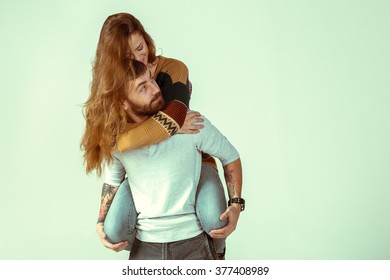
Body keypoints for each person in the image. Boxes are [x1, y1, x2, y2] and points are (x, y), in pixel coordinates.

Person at [81, 12, 245, 258]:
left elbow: (177, 113)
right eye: (128, 57)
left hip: (194, 164)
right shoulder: (114, 88)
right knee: (112, 229)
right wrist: (101, 218)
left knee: (214, 218)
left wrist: (124, 141)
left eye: (140, 48)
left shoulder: (173, 69)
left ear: (146, 41)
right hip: (144, 175)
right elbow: (113, 168)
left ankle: (216, 251)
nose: (139, 58)